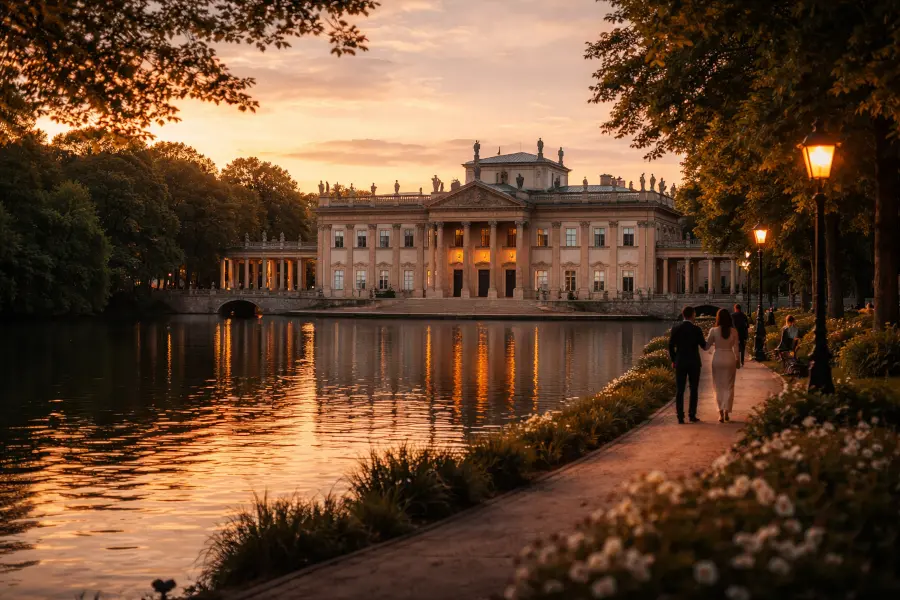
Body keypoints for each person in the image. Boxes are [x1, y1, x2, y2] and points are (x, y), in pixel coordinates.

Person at [668, 306, 708, 424]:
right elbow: (703, 345)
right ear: (693, 315)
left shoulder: (676, 328)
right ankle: (692, 415)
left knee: (680, 390)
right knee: (693, 389)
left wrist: (674, 359)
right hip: (694, 362)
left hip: (680, 361)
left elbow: (670, 345)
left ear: (683, 315)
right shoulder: (697, 329)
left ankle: (680, 416)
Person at [705, 309, 742, 423]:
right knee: (729, 386)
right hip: (730, 357)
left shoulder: (713, 330)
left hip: (717, 358)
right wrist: (738, 360)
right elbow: (736, 348)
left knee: (718, 386)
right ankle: (727, 412)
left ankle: (720, 413)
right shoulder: (734, 331)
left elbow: (706, 346)